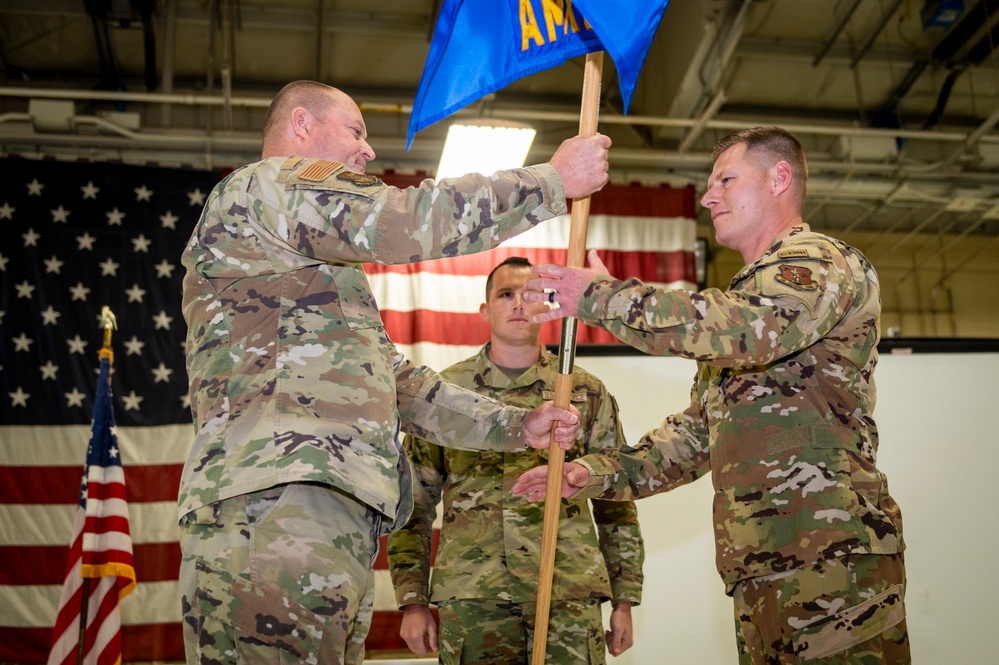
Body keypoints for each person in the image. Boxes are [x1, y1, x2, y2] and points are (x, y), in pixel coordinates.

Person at [178, 80, 612, 665]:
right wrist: (550, 183)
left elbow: (401, 384)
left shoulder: (318, 269)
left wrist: (518, 426)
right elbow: (401, 219)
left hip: (320, 509)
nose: (367, 151)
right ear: (301, 125)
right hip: (274, 503)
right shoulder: (265, 187)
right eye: (356, 131)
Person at [512, 126, 909, 664]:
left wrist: (602, 299)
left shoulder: (818, 263)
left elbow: (745, 328)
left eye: (725, 178)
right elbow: (695, 437)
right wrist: (592, 474)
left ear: (779, 178)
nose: (708, 196)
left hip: (833, 565)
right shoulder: (748, 296)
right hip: (764, 570)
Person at [387, 256, 644, 664]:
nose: (519, 304)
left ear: (548, 306)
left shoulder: (584, 392)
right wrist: (413, 601)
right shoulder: (445, 396)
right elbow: (412, 507)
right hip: (474, 594)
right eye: (506, 294)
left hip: (567, 590)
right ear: (486, 310)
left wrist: (625, 598)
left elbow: (616, 500)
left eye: (530, 295)